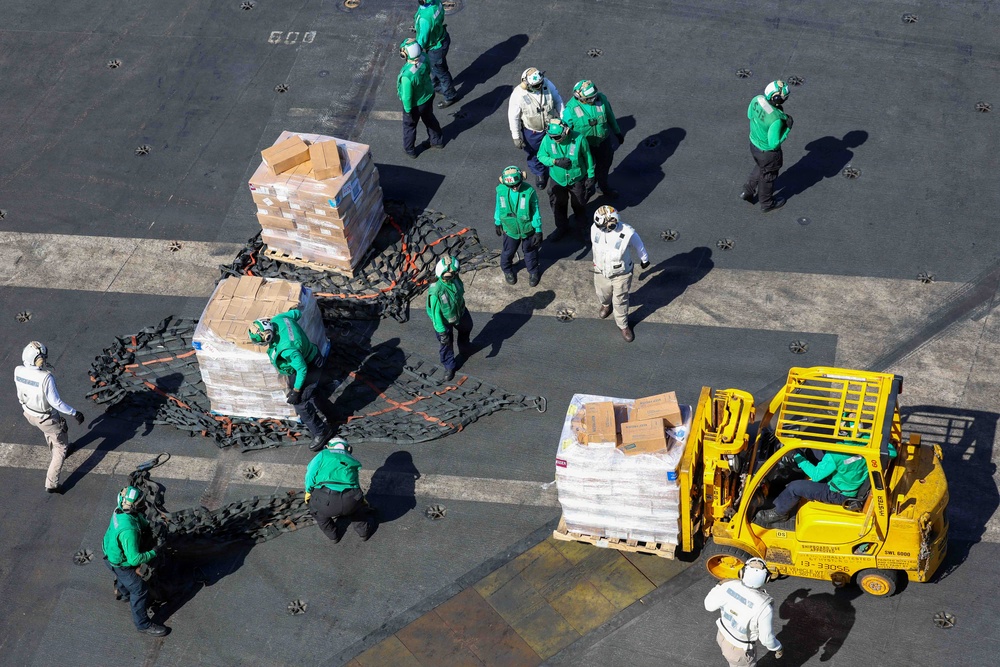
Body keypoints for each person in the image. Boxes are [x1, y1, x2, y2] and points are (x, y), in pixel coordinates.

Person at [248, 309, 333, 451]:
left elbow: (302, 370)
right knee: (312, 392)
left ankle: (321, 432)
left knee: (300, 403)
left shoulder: (287, 349)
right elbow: (297, 313)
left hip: (309, 366)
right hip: (311, 353)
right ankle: (332, 414)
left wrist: (296, 391)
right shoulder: (279, 319)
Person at [14, 341, 85, 494]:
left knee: (50, 434)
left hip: (29, 413)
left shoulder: (18, 370)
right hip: (46, 418)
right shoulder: (46, 378)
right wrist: (74, 412)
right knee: (60, 447)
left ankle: (57, 445)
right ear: (37, 359)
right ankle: (51, 483)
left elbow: (20, 393)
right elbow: (56, 402)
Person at [103, 486, 169, 636]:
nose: (143, 505)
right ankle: (143, 625)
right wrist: (154, 551)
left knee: (123, 579)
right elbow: (134, 560)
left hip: (109, 553)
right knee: (139, 590)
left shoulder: (119, 511)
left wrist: (151, 526)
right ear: (133, 506)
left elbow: (138, 518)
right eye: (140, 503)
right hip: (121, 564)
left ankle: (122, 592)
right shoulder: (128, 531)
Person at [754, 444, 868, 526]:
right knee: (814, 451)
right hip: (849, 479)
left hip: (838, 493)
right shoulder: (866, 441)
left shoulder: (837, 454)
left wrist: (797, 457)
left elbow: (816, 475)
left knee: (794, 488)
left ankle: (780, 513)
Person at [704, 557, 783, 666]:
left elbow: (709, 605)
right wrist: (777, 647)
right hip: (740, 650)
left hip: (722, 637)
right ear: (766, 579)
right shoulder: (764, 607)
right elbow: (766, 639)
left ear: (742, 573)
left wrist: (719, 585)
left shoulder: (728, 586)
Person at [590, 205, 648, 342]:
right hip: (600, 269)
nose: (602, 229)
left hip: (621, 273)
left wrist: (644, 260)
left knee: (620, 300)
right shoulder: (594, 228)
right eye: (600, 226)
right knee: (602, 292)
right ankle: (605, 305)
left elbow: (639, 246)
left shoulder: (627, 232)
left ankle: (623, 325)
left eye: (605, 226)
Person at [304, 438, 376, 543]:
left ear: (328, 446)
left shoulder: (323, 454)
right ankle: (363, 532)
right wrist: (361, 501)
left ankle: (333, 536)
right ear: (348, 448)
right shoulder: (352, 460)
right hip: (350, 499)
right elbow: (355, 483)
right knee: (358, 510)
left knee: (317, 511)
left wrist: (308, 491)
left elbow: (310, 475)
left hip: (325, 500)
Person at [562, 80, 624, 199]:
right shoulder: (570, 109)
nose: (593, 100)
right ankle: (585, 192)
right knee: (584, 171)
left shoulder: (601, 99)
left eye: (594, 97)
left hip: (603, 141)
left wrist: (617, 132)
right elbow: (565, 132)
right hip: (585, 146)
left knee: (605, 165)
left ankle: (603, 187)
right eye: (589, 98)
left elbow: (610, 116)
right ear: (578, 96)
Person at [537, 118, 594, 241]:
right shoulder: (548, 139)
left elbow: (588, 157)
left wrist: (591, 176)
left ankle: (583, 227)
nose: (554, 139)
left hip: (577, 178)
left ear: (565, 132)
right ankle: (562, 227)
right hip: (558, 179)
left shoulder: (579, 139)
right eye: (552, 137)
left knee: (579, 203)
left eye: (557, 137)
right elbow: (541, 156)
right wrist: (555, 162)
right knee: (558, 203)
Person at [507, 68, 564, 189]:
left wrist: (563, 120)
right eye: (536, 85)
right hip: (532, 131)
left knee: (554, 150)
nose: (539, 86)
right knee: (534, 154)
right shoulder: (518, 94)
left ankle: (555, 172)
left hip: (550, 128)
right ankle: (540, 174)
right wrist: (516, 137)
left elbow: (558, 101)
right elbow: (513, 117)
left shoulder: (547, 84)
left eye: (540, 84)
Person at [741, 80, 792, 213]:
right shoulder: (775, 119)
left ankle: (748, 190)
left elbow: (749, 115)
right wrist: (787, 129)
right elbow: (774, 143)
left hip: (754, 144)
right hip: (768, 154)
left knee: (760, 166)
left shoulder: (757, 99)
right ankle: (767, 203)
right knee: (768, 177)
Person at [494, 165, 543, 287]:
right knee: (508, 252)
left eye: (517, 184)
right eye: (511, 186)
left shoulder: (529, 191)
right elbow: (498, 207)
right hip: (510, 229)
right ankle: (507, 270)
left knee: (530, 252)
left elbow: (535, 210)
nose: (515, 187)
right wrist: (497, 222)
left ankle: (533, 272)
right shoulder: (501, 191)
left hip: (527, 229)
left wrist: (538, 230)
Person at [426, 255, 473, 382]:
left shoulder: (455, 279)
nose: (451, 276)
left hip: (459, 313)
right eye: (448, 275)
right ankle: (449, 366)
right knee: (446, 344)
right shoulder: (435, 291)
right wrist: (442, 332)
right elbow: (435, 315)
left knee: (467, 327)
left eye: (453, 273)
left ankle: (464, 348)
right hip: (444, 322)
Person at [397, 37, 444, 158]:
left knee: (409, 126)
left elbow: (407, 97)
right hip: (428, 95)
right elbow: (428, 70)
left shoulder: (407, 76)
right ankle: (437, 141)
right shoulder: (424, 57)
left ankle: (410, 150)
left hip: (415, 104)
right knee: (429, 118)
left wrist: (407, 111)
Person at [413, 0, 458, 108]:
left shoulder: (425, 18)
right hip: (441, 37)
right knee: (437, 67)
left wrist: (414, 53)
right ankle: (436, 85)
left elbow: (422, 40)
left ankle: (450, 95)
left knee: (441, 71)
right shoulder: (436, 2)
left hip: (434, 48)